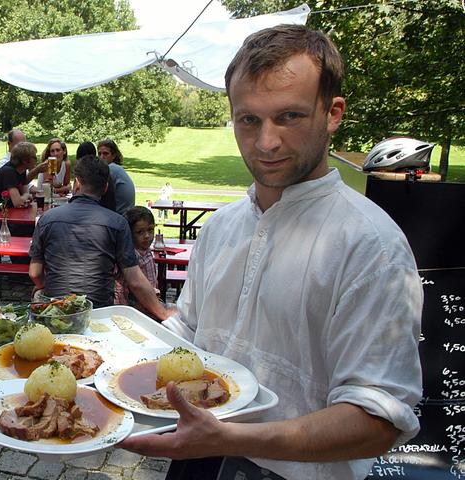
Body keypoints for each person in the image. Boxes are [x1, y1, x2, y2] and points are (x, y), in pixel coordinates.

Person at [120, 25, 422, 480]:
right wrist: (97, 362)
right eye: (249, 119)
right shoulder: (221, 227)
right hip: (196, 458)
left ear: (333, 112)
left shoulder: (370, 244)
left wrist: (231, 439)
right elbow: (191, 332)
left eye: (289, 117)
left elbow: (378, 417)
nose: (266, 142)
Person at [29, 155, 169, 319]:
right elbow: (135, 280)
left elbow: (35, 273)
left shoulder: (47, 219)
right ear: (105, 187)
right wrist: (165, 314)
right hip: (99, 312)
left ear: (77, 184)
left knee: (38, 294)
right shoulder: (118, 223)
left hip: (56, 310)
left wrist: (42, 286)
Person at [0, 141, 35, 237]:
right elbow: (18, 202)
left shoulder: (20, 171)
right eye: (34, 157)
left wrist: (25, 196)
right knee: (35, 229)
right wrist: (26, 196)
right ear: (25, 161)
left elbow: (25, 192)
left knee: (35, 227)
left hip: (7, 218)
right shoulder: (9, 172)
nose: (36, 159)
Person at [114, 206, 158, 309]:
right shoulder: (131, 255)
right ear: (128, 234)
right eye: (140, 232)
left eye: (150, 230)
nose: (147, 236)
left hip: (150, 300)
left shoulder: (146, 251)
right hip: (134, 305)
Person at [97, 139, 135, 215]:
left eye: (105, 154)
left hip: (119, 216)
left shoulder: (111, 169)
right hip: (125, 214)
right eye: (99, 154)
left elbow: (96, 194)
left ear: (113, 155)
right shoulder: (117, 168)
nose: (101, 157)